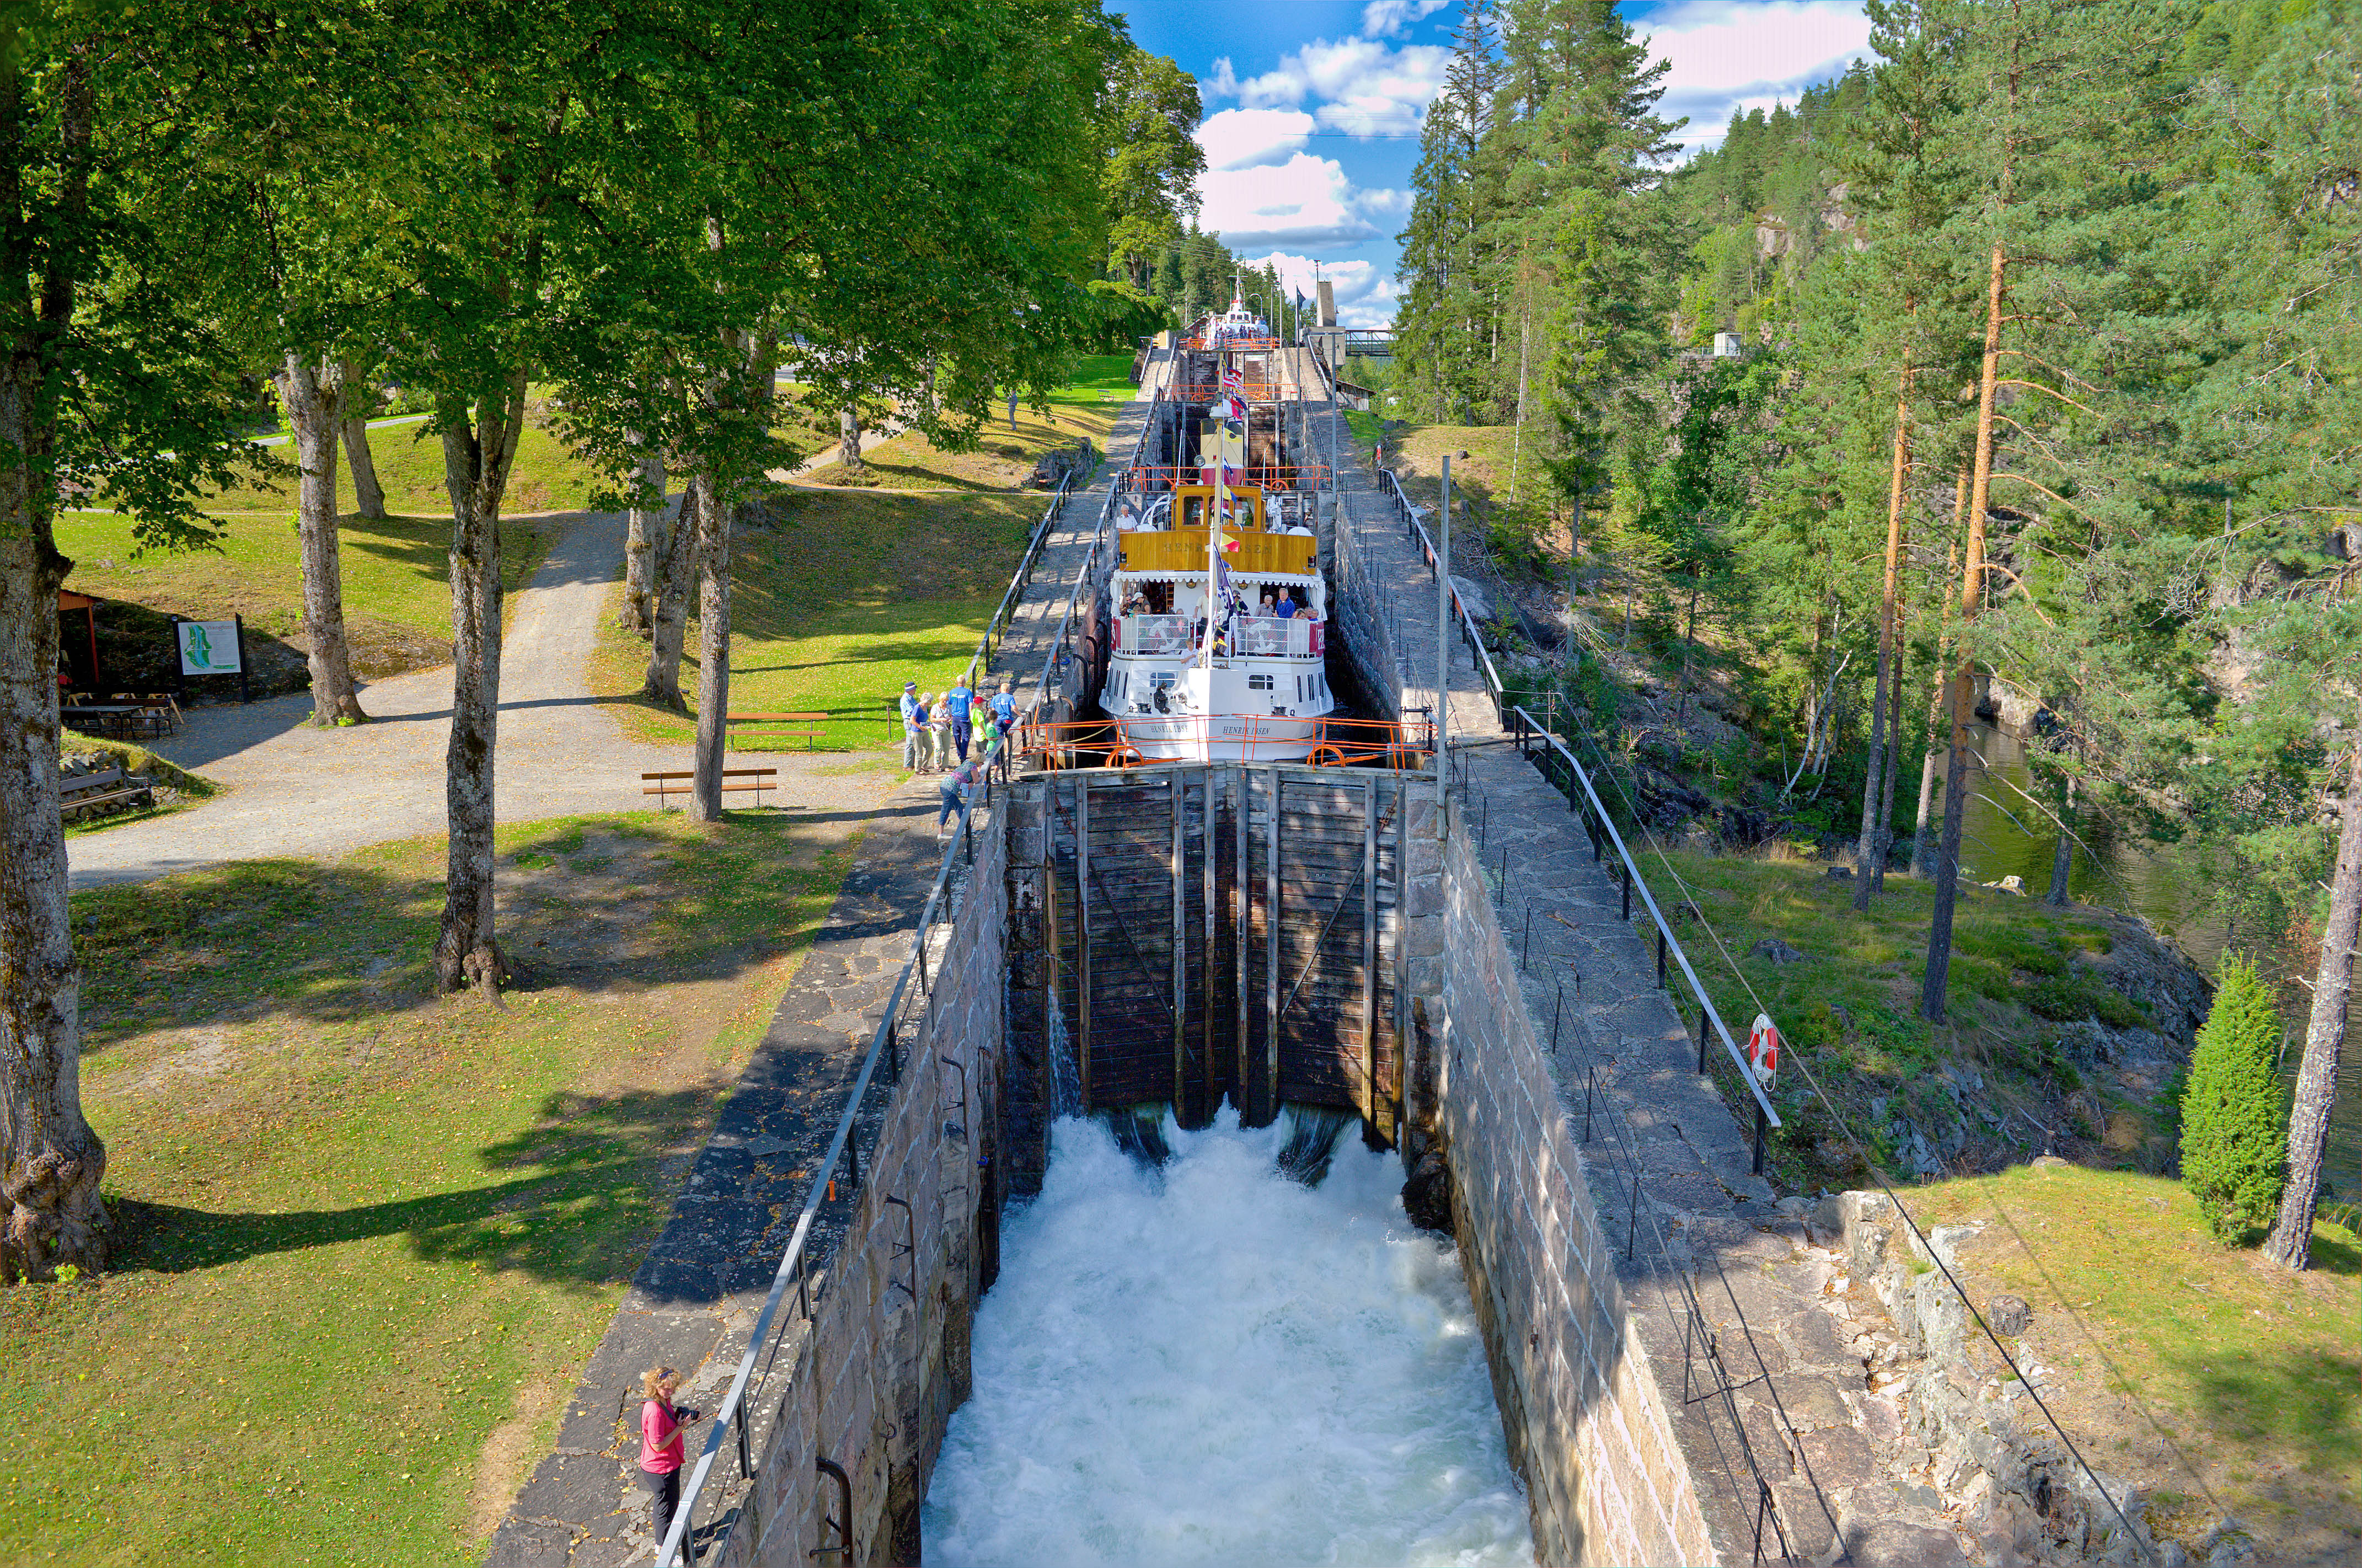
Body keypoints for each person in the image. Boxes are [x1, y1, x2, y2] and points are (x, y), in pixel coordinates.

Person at [639, 1366, 702, 1555]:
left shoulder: (661, 1401)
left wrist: (677, 1418)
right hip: (661, 1468)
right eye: (666, 1388)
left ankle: (667, 1542)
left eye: (672, 1387)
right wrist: (681, 1428)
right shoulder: (656, 1411)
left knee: (668, 1506)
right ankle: (664, 1549)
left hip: (664, 1465)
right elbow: (658, 1445)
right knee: (665, 1510)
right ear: (656, 1386)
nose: (671, 1391)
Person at [939, 756, 978, 835]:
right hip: (950, 790)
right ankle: (940, 833)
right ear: (979, 761)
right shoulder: (973, 767)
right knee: (946, 810)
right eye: (982, 763)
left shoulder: (967, 762)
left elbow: (964, 776)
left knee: (959, 807)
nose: (982, 765)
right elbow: (976, 780)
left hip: (945, 786)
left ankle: (965, 827)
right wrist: (978, 779)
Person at [947, 674, 974, 762]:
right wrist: (971, 715)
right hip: (964, 717)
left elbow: (949, 703)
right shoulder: (968, 692)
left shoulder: (952, 692)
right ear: (965, 682)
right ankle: (963, 755)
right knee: (966, 737)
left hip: (955, 718)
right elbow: (971, 704)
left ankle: (959, 753)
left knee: (957, 736)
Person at [902, 687, 929, 773]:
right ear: (909, 690)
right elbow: (912, 711)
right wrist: (920, 708)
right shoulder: (906, 699)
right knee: (910, 743)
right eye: (914, 689)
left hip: (915, 721)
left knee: (914, 744)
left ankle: (915, 764)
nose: (915, 690)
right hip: (909, 721)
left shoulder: (911, 698)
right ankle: (908, 765)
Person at [929, 693, 955, 771]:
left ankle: (945, 765)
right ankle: (937, 763)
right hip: (937, 729)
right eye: (944, 701)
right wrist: (940, 719)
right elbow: (932, 719)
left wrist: (950, 719)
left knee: (946, 748)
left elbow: (951, 716)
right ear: (940, 700)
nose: (945, 703)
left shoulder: (948, 707)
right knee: (939, 747)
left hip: (946, 729)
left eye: (946, 701)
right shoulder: (935, 707)